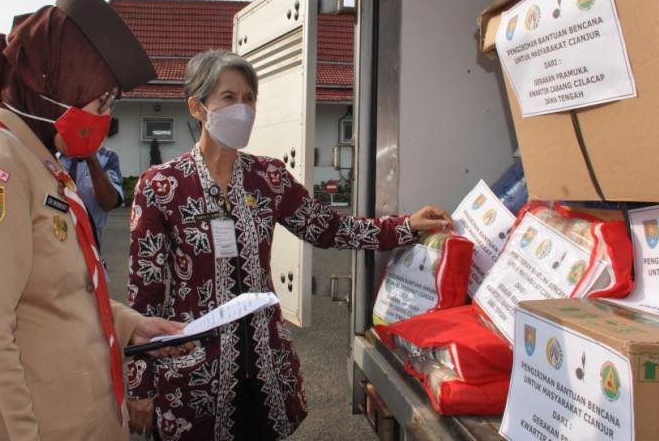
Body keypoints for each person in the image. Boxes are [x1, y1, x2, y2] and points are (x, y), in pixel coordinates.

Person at [127, 50, 453, 440]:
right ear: (198, 107)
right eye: (229, 98)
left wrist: (404, 227)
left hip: (265, 371)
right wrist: (140, 384)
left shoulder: (268, 177)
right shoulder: (162, 185)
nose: (244, 109)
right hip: (194, 378)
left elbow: (329, 228)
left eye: (250, 98)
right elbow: (143, 294)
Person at [0, 0, 188, 440]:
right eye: (101, 102)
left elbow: (50, 294)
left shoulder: (31, 158)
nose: (105, 118)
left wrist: (128, 324)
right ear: (53, 85)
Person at [60, 146, 124, 249]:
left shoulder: (107, 156)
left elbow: (109, 203)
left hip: (89, 249)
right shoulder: (47, 152)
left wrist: (91, 158)